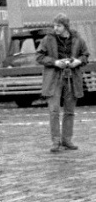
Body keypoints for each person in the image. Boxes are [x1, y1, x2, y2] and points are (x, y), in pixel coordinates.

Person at [36, 13, 90, 153]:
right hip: (53, 78)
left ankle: (67, 140)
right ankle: (55, 141)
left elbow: (85, 55)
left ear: (65, 26)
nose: (55, 28)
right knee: (54, 110)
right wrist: (55, 62)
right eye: (54, 25)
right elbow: (39, 56)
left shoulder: (77, 39)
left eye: (58, 25)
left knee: (69, 111)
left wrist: (78, 61)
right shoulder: (48, 39)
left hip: (72, 78)